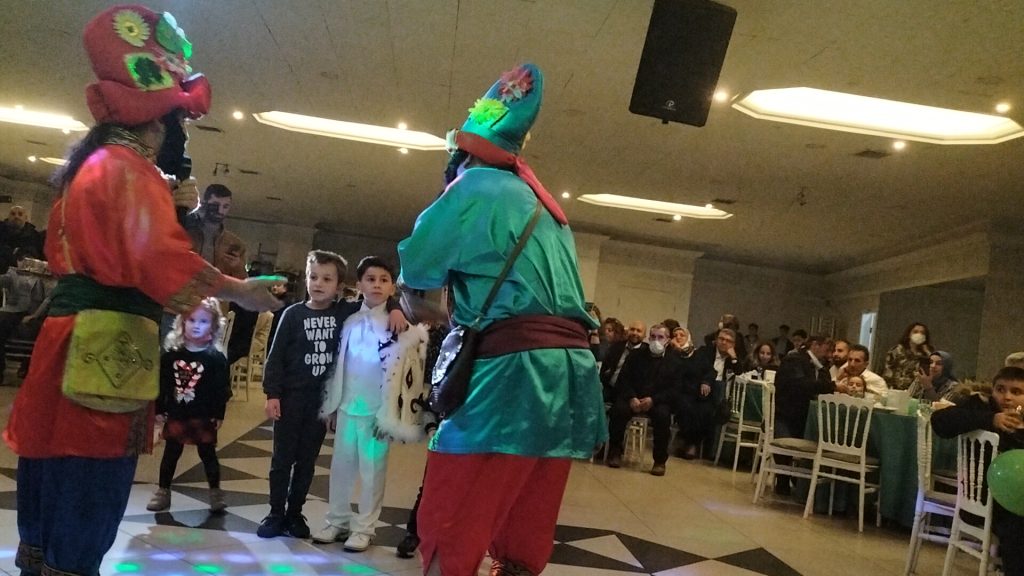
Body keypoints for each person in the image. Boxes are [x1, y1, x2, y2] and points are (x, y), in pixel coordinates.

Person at [3, 6, 283, 575]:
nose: (184, 135)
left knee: (50, 472)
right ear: (161, 120)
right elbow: (158, 259)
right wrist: (239, 290)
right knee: (90, 483)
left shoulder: (90, 166)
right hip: (104, 345)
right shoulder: (130, 170)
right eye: (182, 122)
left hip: (65, 340)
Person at [397, 63, 606, 576]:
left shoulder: (472, 187)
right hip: (571, 374)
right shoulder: (547, 207)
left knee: (456, 506)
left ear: (460, 155)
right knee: (528, 510)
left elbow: (417, 271)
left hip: (512, 371)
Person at [257, 250, 406, 539]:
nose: (318, 284)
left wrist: (397, 307)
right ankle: (275, 513)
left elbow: (376, 297)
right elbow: (275, 358)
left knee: (306, 461)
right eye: (313, 277)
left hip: (321, 403)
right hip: (290, 399)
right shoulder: (292, 314)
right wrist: (272, 393)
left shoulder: (343, 313)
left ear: (339, 286)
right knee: (282, 459)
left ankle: (295, 513)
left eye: (327, 279)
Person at [313, 257, 429, 552]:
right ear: (359, 284)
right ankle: (337, 520)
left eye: (383, 280)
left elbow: (409, 378)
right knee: (341, 467)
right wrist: (333, 404)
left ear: (392, 288)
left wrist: (394, 417)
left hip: (378, 412)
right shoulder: (349, 319)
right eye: (370, 279)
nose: (377, 285)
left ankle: (365, 527)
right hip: (347, 405)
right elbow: (339, 364)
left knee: (372, 470)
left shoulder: (398, 326)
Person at [931, 366, 1024, 576]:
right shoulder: (980, 407)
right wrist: (991, 420)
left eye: (1016, 392)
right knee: (1018, 524)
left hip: (1017, 500)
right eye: (1001, 389)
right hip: (984, 501)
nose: (1007, 397)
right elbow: (939, 421)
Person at [147, 298, 231, 513]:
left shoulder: (215, 359)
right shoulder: (171, 356)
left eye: (203, 321)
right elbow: (163, 384)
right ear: (182, 322)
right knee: (171, 452)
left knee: (208, 454)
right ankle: (163, 490)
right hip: (177, 413)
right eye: (191, 320)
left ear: (213, 326)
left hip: (203, 415)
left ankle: (215, 492)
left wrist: (218, 413)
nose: (196, 325)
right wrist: (159, 408)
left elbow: (221, 389)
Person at [605, 324, 682, 476]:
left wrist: (653, 400)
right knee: (618, 410)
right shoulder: (635, 355)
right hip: (633, 397)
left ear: (667, 340)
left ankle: (659, 461)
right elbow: (623, 380)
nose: (656, 340)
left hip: (657, 400)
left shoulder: (674, 361)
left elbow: (675, 389)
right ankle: (615, 452)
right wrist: (632, 397)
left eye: (660, 337)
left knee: (663, 416)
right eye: (653, 336)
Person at [0, 249, 45, 384]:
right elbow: (4, 281)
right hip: (13, 311)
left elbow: (45, 298)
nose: (25, 263)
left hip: (32, 313)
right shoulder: (12, 274)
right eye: (22, 260)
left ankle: (27, 367)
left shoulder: (40, 277)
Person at [882, 322, 934, 390]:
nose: (919, 334)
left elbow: (933, 368)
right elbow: (888, 371)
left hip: (917, 390)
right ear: (909, 334)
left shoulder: (926, 353)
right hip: (897, 390)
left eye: (922, 333)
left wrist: (927, 352)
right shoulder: (897, 350)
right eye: (915, 332)